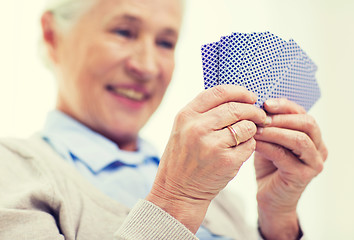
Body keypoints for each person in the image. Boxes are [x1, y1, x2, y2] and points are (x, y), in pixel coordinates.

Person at [0, 0, 328, 239]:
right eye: (124, 32)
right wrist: (177, 200)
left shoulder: (217, 192)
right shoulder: (12, 170)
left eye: (165, 42)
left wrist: (279, 220)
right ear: (52, 34)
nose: (147, 67)